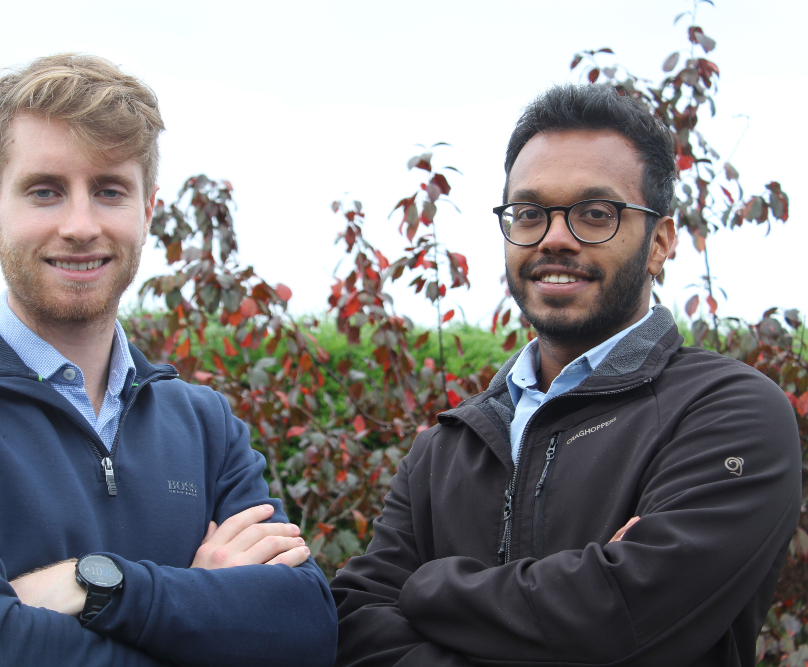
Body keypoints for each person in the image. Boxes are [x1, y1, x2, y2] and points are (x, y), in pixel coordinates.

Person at [0, 54, 336, 667]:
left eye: (109, 191)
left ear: (147, 212)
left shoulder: (205, 426)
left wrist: (95, 583)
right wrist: (203, 601)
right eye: (45, 191)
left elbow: (306, 632)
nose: (80, 224)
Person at [330, 84, 801, 666]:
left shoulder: (729, 413)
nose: (554, 237)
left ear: (660, 243)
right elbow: (354, 624)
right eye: (529, 213)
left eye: (595, 214)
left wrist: (426, 588)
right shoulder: (449, 445)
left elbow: (613, 624)